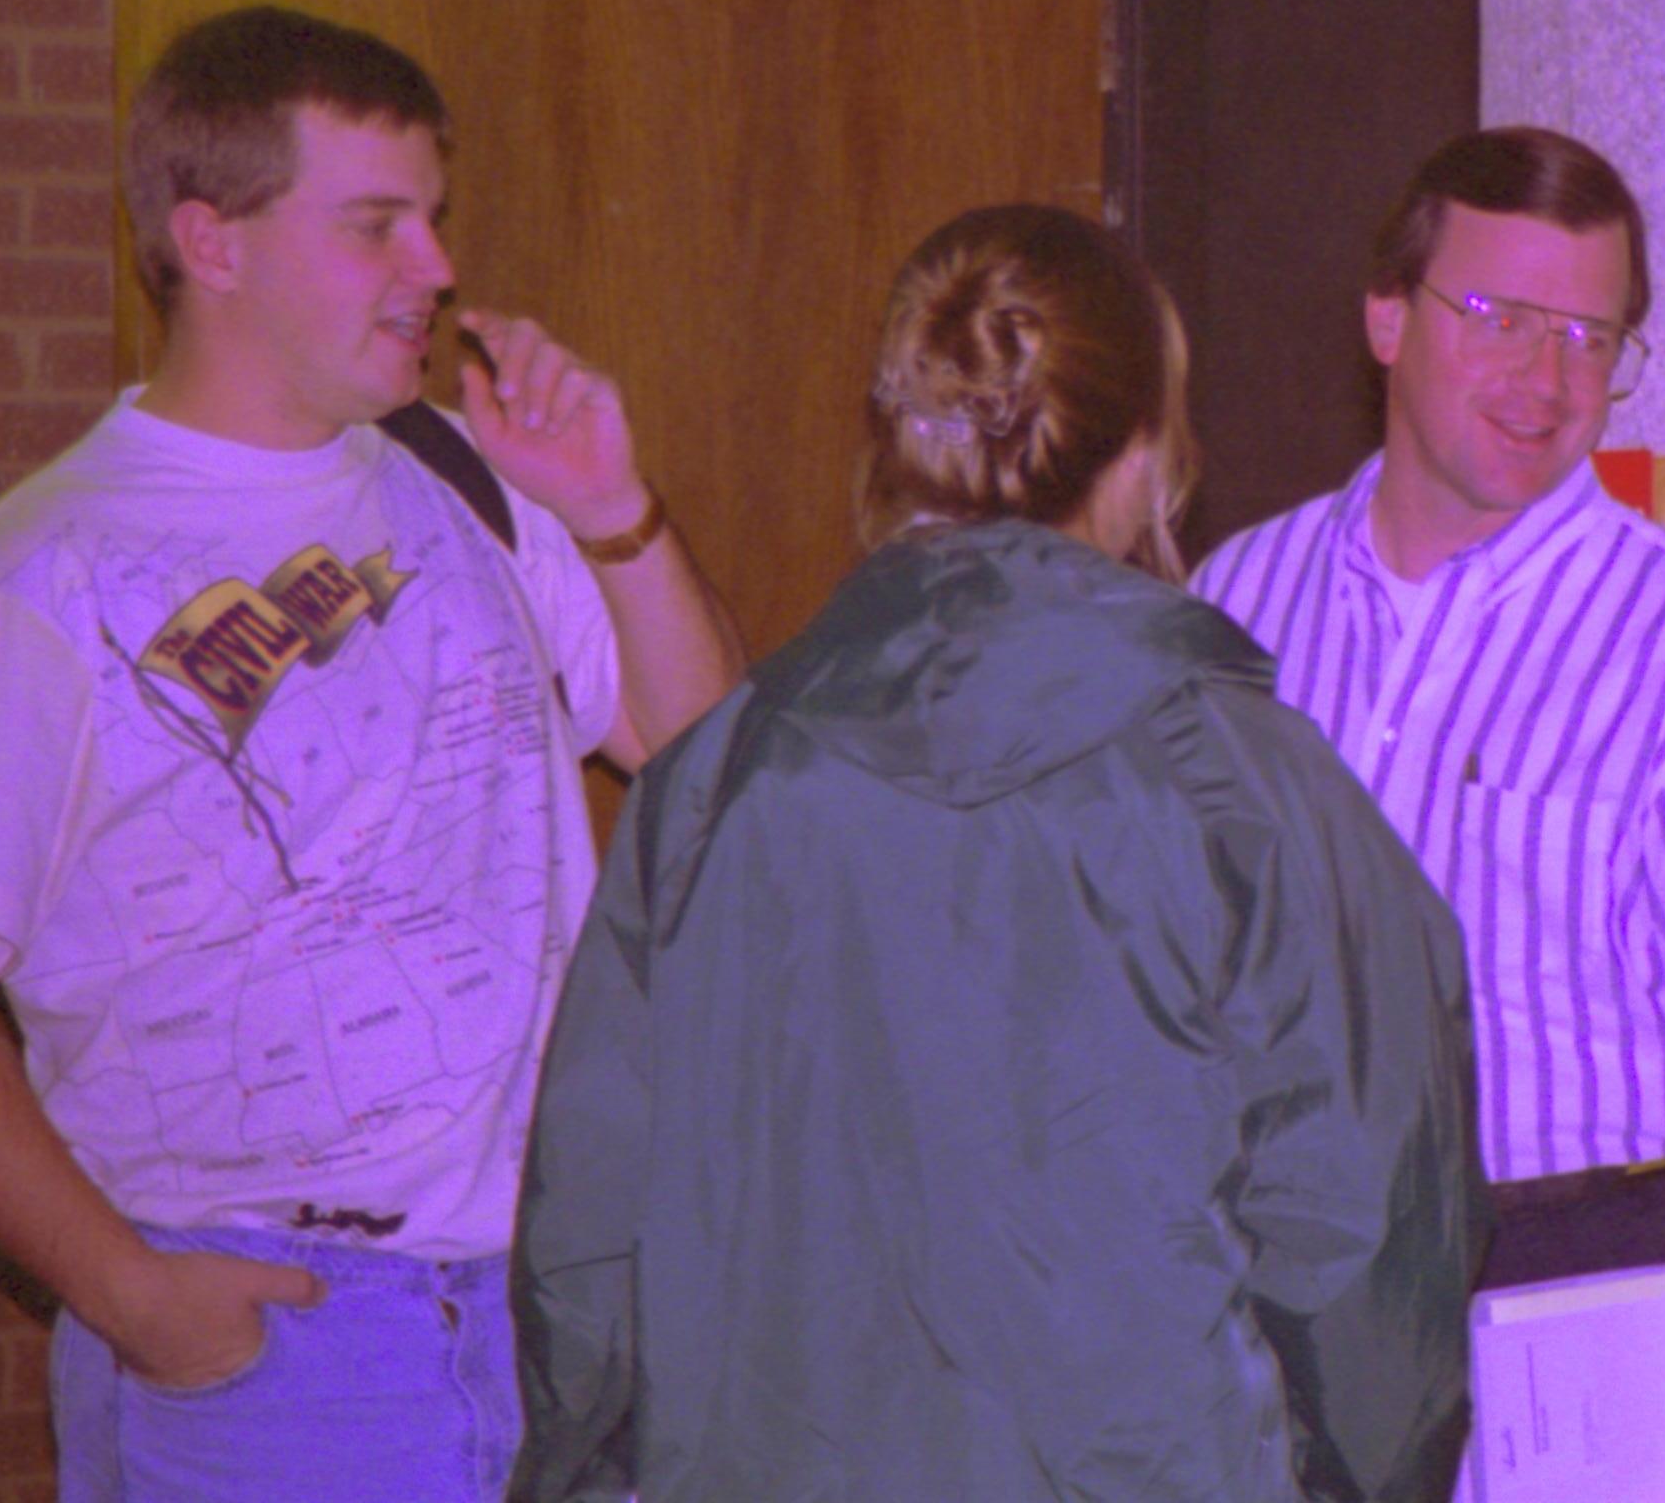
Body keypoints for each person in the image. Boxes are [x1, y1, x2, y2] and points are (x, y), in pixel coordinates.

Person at [0, 5, 744, 1503]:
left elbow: (703, 765)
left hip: (554, 1300)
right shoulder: (30, 580)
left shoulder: (467, 476)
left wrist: (614, 514)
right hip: (276, 1346)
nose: (437, 268)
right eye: (377, 227)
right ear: (210, 242)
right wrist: (132, 1298)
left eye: (434, 219)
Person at [510, 202, 1482, 1503]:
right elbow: (1372, 1257)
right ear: (1144, 455)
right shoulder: (1247, 791)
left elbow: (589, 1243)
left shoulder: (716, 783)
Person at [1196, 128, 1665, 1503]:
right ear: (1386, 318)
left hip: (1605, 1366)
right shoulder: (1240, 606)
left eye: (1593, 337)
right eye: (1502, 318)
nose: (1550, 379)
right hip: (1284, 1364)